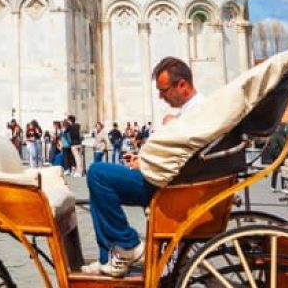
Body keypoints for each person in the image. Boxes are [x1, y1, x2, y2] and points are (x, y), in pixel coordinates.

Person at [81, 56, 205, 278]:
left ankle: (127, 245)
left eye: (164, 90)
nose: (160, 96)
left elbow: (182, 154)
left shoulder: (197, 111)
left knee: (97, 173)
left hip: (171, 186)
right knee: (97, 189)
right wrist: (143, 160)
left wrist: (146, 160)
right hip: (168, 178)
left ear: (182, 85)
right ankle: (108, 257)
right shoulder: (193, 110)